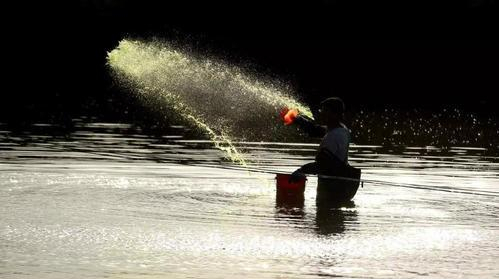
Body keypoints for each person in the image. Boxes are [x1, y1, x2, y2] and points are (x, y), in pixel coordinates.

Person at [288, 97, 350, 182]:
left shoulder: (334, 136)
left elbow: (322, 165)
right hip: (338, 184)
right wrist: (297, 119)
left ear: (335, 114)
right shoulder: (341, 129)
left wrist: (302, 171)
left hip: (331, 187)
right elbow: (315, 131)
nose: (321, 114)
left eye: (325, 111)